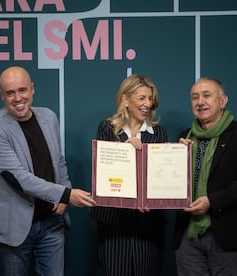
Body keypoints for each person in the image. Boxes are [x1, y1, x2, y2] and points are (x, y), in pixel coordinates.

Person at [0, 66, 96, 276]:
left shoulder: (49, 117)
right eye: (10, 93)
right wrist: (67, 195)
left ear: (32, 89)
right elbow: (18, 178)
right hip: (14, 229)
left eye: (22, 90)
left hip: (51, 224)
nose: (18, 98)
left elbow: (59, 162)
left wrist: (64, 194)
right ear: (2, 95)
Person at [174, 77, 237, 275]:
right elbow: (172, 183)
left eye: (207, 95)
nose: (200, 102)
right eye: (194, 97)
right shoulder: (184, 137)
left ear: (223, 101)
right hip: (189, 237)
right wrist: (176, 159)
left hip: (228, 235)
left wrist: (211, 201)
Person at [90, 74, 167, 276]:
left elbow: (159, 177)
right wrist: (125, 149)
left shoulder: (159, 134)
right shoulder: (107, 128)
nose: (147, 104)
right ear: (125, 100)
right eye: (141, 98)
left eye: (150, 99)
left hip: (148, 224)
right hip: (114, 221)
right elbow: (105, 170)